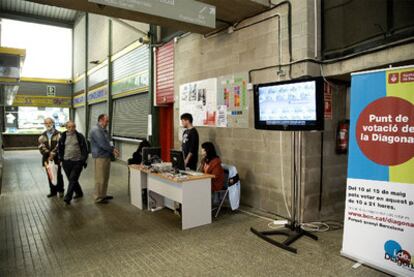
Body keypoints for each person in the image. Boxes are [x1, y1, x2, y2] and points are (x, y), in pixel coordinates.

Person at [89, 114, 119, 204]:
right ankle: (98, 197)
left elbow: (109, 141)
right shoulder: (96, 130)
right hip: (100, 157)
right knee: (100, 178)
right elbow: (102, 144)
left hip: (106, 156)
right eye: (107, 121)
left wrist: (113, 148)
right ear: (101, 120)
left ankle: (103, 195)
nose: (108, 123)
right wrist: (113, 150)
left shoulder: (104, 130)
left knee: (105, 177)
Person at [57, 120, 88, 205]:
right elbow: (59, 149)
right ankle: (79, 192)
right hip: (66, 162)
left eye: (73, 127)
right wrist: (61, 159)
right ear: (66, 128)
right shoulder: (62, 137)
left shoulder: (80, 136)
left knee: (73, 178)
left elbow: (85, 149)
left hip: (77, 161)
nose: (72, 129)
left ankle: (68, 197)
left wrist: (83, 160)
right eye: (69, 127)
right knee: (72, 179)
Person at [38, 117, 64, 197]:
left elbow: (60, 146)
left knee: (58, 174)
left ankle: (60, 191)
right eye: (46, 123)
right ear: (44, 124)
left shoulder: (59, 134)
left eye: (50, 123)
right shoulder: (42, 136)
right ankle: (53, 191)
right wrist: (49, 154)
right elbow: (41, 146)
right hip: (46, 158)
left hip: (57, 158)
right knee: (50, 174)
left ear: (53, 123)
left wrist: (53, 154)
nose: (48, 124)